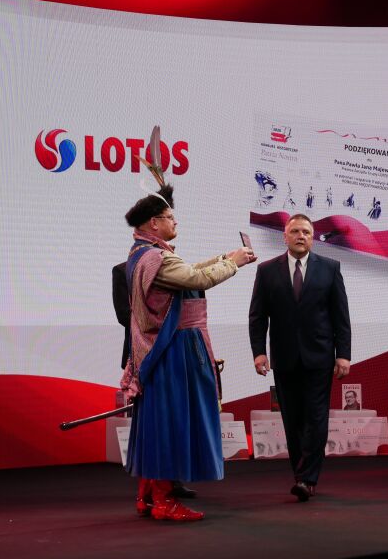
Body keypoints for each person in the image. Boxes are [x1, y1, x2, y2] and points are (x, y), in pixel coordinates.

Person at [120, 183, 255, 522]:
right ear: (154, 223)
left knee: (156, 423)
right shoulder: (156, 258)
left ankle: (147, 496)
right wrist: (234, 264)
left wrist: (225, 258)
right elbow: (196, 278)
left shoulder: (143, 254)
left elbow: (188, 272)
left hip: (165, 351)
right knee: (171, 424)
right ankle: (164, 502)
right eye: (170, 217)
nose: (175, 221)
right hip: (174, 351)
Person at [249, 213, 351, 502]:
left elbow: (340, 316)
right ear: (285, 236)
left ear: (313, 237)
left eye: (306, 231)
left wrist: (343, 354)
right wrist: (259, 352)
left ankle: (308, 478)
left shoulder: (330, 268)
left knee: (316, 417)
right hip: (284, 358)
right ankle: (301, 475)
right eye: (295, 231)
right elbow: (258, 316)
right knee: (292, 420)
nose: (300, 236)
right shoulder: (266, 271)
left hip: (320, 357)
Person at [112, 259, 198, 500]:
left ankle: (171, 481)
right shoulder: (122, 270)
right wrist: (162, 320)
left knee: (173, 422)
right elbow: (124, 315)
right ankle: (150, 486)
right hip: (143, 356)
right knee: (148, 425)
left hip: (174, 354)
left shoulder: (173, 268)